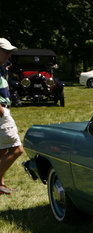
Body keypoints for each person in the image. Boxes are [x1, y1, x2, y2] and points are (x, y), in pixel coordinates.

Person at [0, 38, 24, 195]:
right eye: (6, 52)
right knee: (17, 149)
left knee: (1, 150)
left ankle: (0, 185)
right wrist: (1, 111)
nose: (9, 55)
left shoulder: (1, 68)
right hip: (2, 113)